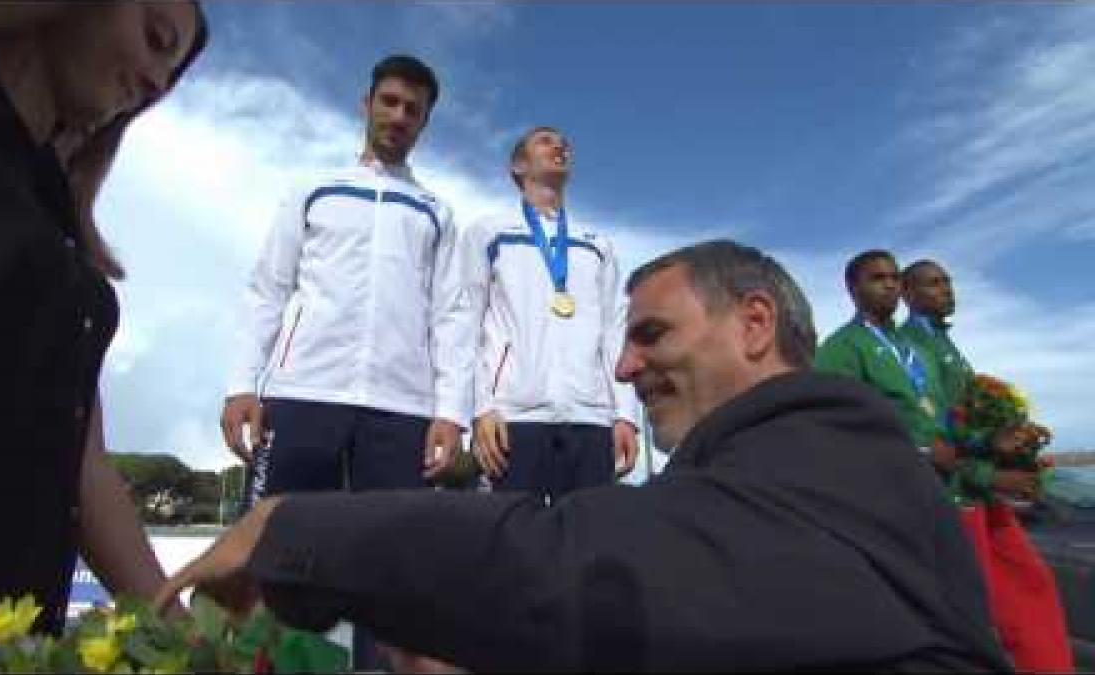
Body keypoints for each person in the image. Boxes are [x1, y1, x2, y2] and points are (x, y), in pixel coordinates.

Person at [158, 241, 1010, 672]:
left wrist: (288, 526)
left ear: (755, 325)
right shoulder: (791, 467)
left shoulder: (830, 446)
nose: (625, 366)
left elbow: (574, 560)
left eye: (652, 334)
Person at [0, 1, 207, 659]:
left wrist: (189, 641)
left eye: (169, 71)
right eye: (155, 40)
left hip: (1, 641)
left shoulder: (53, 214)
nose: (156, 81)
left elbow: (82, 462)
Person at [218, 54, 467, 668]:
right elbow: (269, 289)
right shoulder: (314, 187)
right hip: (304, 393)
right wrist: (240, 384)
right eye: (390, 102)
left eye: (414, 110)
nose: (399, 117)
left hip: (401, 406)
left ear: (425, 124)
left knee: (395, 571)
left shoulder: (436, 211)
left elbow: (452, 313)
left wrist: (451, 411)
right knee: (270, 558)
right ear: (367, 104)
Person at [903, 259, 1073, 673]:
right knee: (970, 619)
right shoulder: (909, 349)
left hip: (981, 495)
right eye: (934, 284)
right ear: (908, 295)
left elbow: (973, 421)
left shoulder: (945, 346)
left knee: (1032, 586)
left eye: (947, 282)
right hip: (953, 499)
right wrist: (990, 472)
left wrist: (1016, 441)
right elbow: (934, 435)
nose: (947, 290)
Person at [459, 126, 639, 501]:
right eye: (545, 141)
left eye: (564, 143)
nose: (559, 145)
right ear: (519, 165)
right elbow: (466, 325)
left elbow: (614, 333)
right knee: (516, 544)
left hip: (590, 418)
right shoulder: (490, 233)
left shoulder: (596, 245)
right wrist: (480, 409)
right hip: (514, 417)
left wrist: (624, 416)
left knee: (589, 542)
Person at [814, 250, 956, 474]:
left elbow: (942, 411)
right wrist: (923, 449)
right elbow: (837, 422)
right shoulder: (841, 347)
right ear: (853, 288)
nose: (890, 285)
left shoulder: (918, 350)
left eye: (895, 278)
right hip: (891, 478)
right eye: (878, 279)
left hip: (944, 484)